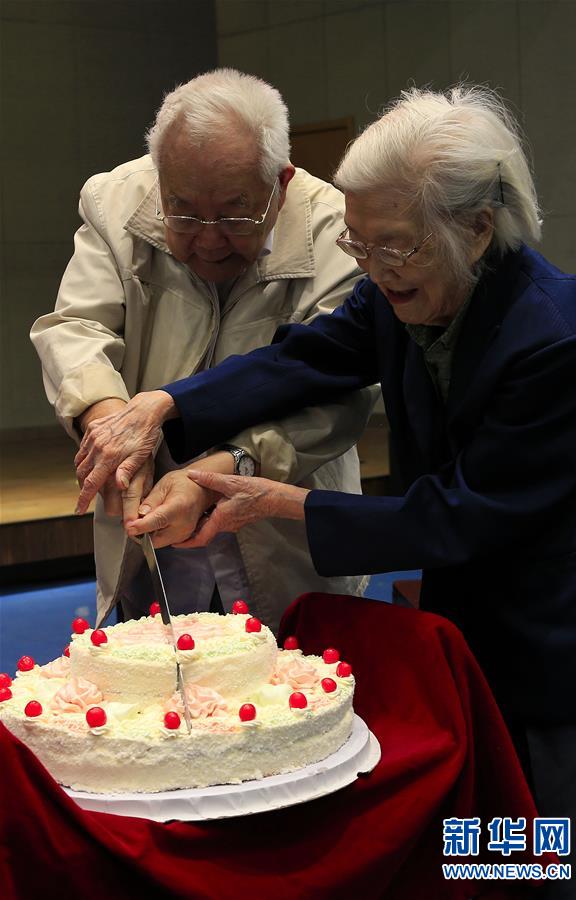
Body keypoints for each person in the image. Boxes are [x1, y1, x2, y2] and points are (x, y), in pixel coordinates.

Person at [73, 85, 576, 896]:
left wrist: (279, 503)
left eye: (394, 248)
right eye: (359, 246)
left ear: (476, 228)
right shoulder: (407, 280)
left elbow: (464, 516)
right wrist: (165, 405)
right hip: (467, 634)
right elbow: (302, 359)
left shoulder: (554, 340)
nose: (374, 269)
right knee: (483, 860)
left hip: (558, 650)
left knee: (552, 858)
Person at [30, 68, 377, 631]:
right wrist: (112, 421)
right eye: (184, 211)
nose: (209, 238)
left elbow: (340, 395)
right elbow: (74, 328)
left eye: (235, 215)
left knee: (299, 696)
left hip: (286, 545)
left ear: (281, 184)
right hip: (152, 536)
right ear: (160, 177)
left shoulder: (337, 229)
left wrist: (221, 471)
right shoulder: (116, 200)